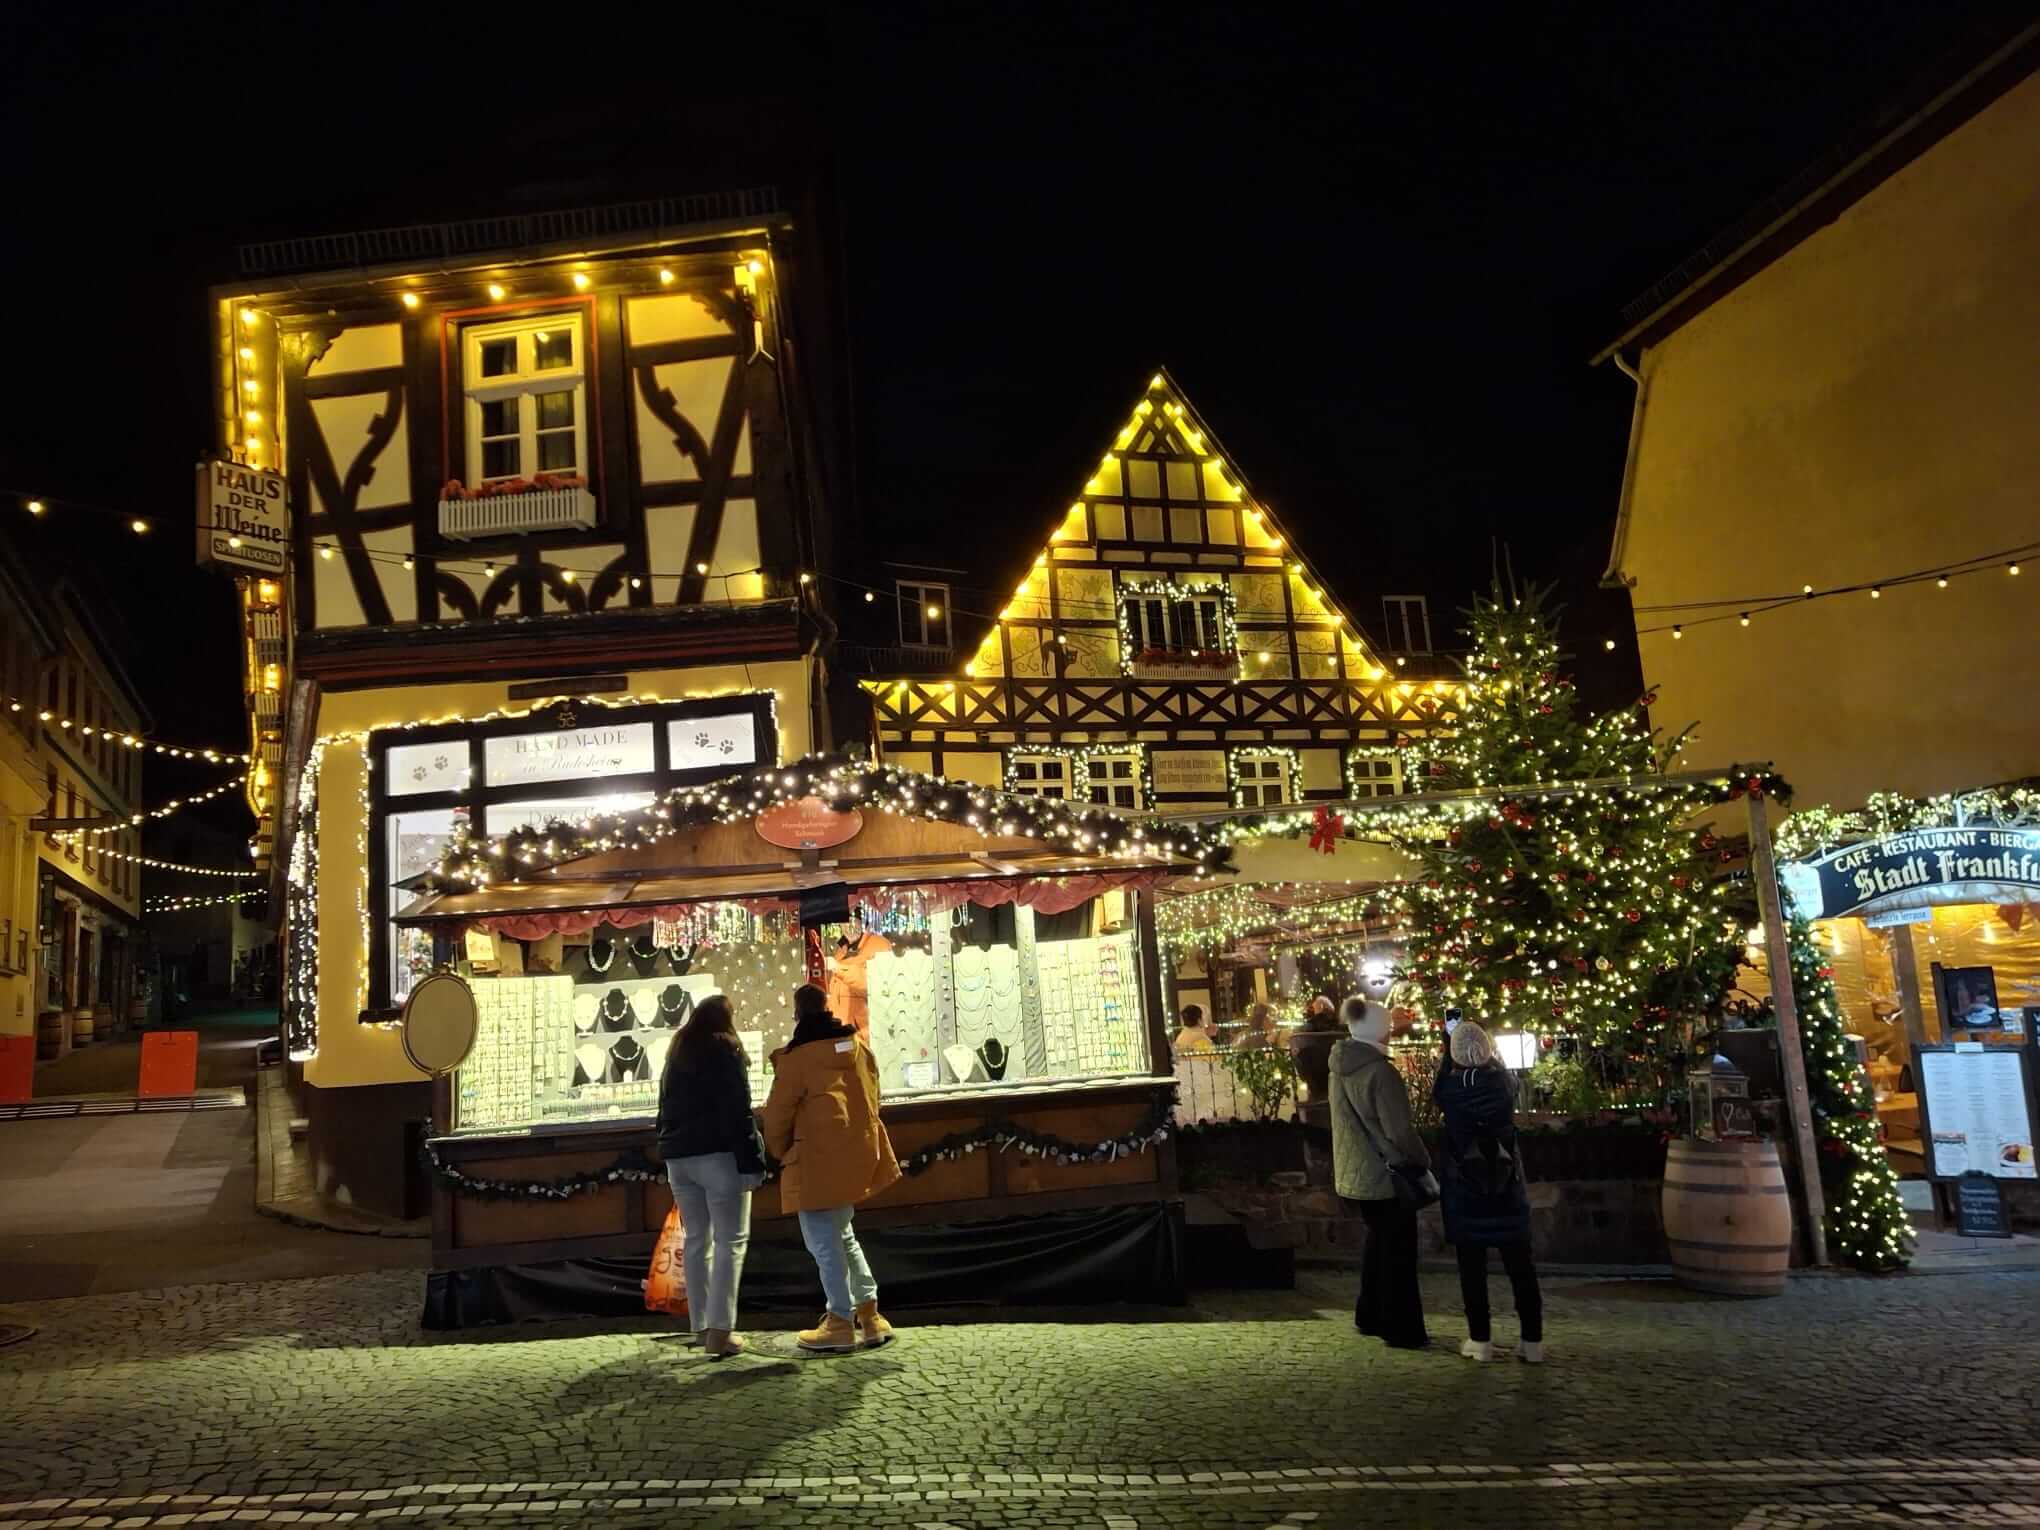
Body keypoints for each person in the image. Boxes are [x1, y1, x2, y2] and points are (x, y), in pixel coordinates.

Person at [762, 983, 902, 1353]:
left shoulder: (798, 1059)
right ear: (827, 1008)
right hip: (853, 1156)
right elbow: (873, 1097)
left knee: (823, 1242)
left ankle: (839, 1320)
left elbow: (777, 1117)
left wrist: (780, 1151)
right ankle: (870, 1315)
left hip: (813, 1160)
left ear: (797, 1014)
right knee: (843, 1234)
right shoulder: (856, 1048)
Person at [654, 994, 765, 1359]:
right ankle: (721, 1330)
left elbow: (663, 1109)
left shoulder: (677, 1051)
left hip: (679, 1159)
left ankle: (701, 1327)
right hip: (718, 1155)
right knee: (731, 1240)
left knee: (697, 1240)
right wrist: (753, 1160)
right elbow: (738, 1110)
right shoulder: (726, 1050)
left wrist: (667, 1145)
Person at [1330, 988, 1436, 1349]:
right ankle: (1401, 1327)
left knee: (1378, 1243)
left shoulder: (1339, 1066)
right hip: (1386, 1173)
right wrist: (1422, 1159)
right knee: (1399, 1252)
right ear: (1379, 1030)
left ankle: (1370, 1313)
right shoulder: (1380, 1072)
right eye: (1388, 1026)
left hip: (1356, 1172)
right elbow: (1399, 1131)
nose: (1392, 1032)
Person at [1433, 1020, 1544, 1363]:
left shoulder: (1450, 1092)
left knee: (1472, 1270)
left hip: (1467, 1191)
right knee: (1521, 1268)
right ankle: (1532, 1341)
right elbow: (1504, 1077)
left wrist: (1448, 1052)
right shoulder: (1503, 1085)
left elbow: (1439, 1088)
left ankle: (1480, 1340)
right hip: (1506, 1186)